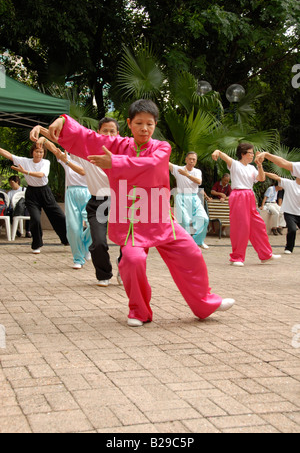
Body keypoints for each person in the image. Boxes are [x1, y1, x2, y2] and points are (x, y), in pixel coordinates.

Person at [30, 99, 235, 327]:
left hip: (160, 217)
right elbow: (90, 138)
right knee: (132, 260)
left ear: (155, 125)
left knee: (192, 254)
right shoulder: (118, 145)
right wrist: (63, 120)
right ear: (129, 123)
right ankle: (139, 311)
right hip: (131, 220)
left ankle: (205, 304)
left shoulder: (161, 147)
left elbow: (152, 165)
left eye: (149, 124)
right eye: (139, 123)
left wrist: (114, 162)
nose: (144, 128)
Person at [34, 117, 122, 287]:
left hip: (120, 201)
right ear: (98, 133)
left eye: (113, 131)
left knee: (128, 242)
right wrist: (41, 130)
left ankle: (123, 266)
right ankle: (104, 274)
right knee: (98, 241)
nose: (109, 134)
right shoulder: (87, 153)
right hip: (98, 201)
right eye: (105, 131)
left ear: (118, 134)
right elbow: (62, 140)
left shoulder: (124, 152)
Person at [212, 144, 281, 267]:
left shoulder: (252, 168)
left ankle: (265, 255)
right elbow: (224, 156)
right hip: (238, 195)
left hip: (249, 195)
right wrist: (217, 151)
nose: (252, 155)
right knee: (241, 226)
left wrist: (259, 165)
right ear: (243, 154)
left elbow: (261, 178)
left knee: (258, 225)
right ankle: (237, 257)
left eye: (253, 153)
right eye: (250, 153)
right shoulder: (234, 164)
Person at [0, 144, 68, 253]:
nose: (39, 154)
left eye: (41, 152)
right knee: (35, 219)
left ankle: (66, 240)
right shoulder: (25, 161)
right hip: (31, 193)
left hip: (45, 192)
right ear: (32, 152)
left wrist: (25, 172)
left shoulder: (46, 162)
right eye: (37, 151)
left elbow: (41, 175)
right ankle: (37, 244)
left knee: (59, 216)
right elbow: (8, 155)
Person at [43, 139, 92, 270]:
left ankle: (86, 247)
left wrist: (67, 161)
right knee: (73, 228)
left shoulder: (90, 160)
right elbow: (54, 148)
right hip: (71, 194)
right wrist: (42, 139)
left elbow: (83, 171)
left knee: (94, 225)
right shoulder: (67, 158)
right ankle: (78, 258)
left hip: (88, 193)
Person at [169, 152, 209, 249]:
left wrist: (187, 174)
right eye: (190, 159)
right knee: (185, 222)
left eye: (194, 159)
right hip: (181, 198)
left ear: (196, 161)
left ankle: (198, 241)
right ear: (186, 159)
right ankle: (186, 244)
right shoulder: (178, 169)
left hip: (194, 198)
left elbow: (199, 181)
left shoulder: (197, 171)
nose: (191, 161)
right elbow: (165, 162)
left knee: (204, 219)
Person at [264, 172, 300, 254]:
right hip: (289, 212)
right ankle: (289, 248)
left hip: (299, 212)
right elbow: (276, 177)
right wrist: (264, 172)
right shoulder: (289, 183)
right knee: (292, 229)